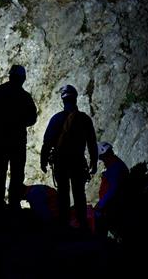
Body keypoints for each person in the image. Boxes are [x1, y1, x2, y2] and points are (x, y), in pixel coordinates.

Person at [40, 84, 98, 230]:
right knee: (79, 193)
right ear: (75, 99)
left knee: (63, 194)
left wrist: (43, 160)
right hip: (78, 161)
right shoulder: (84, 119)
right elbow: (92, 143)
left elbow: (47, 142)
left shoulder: (56, 119)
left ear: (63, 100)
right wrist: (94, 162)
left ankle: (64, 225)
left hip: (61, 162)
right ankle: (83, 224)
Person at [0, 65, 37, 209]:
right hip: (17, 141)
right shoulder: (25, 97)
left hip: (0, 139)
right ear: (22, 79)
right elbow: (32, 119)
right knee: (17, 173)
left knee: (0, 171)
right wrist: (19, 121)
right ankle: (14, 203)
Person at [94, 141, 129, 237]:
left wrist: (101, 205)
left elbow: (113, 189)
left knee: (98, 221)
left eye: (102, 158)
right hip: (115, 203)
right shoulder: (115, 164)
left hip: (115, 206)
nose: (103, 161)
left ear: (105, 155)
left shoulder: (115, 168)